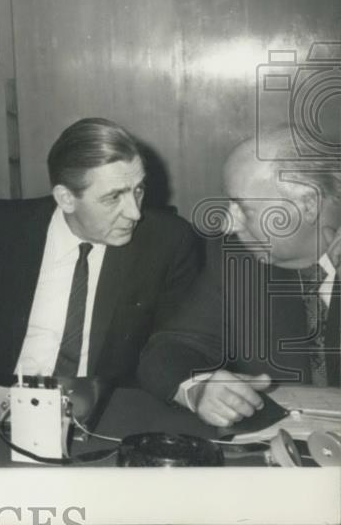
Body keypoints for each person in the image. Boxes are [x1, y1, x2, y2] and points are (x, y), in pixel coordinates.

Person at [0, 117, 202, 387]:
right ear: (66, 198)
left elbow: (179, 343)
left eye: (138, 190)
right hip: (0, 402)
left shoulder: (168, 242)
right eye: (113, 197)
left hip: (103, 412)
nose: (134, 213)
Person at [138, 129, 340, 427]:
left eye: (243, 207)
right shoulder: (235, 257)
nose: (227, 222)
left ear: (308, 205)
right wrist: (200, 388)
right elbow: (169, 349)